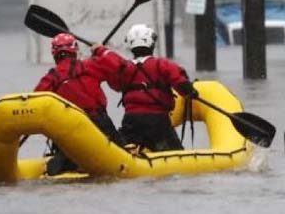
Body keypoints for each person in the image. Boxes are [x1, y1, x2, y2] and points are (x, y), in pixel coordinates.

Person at [34, 33, 126, 175]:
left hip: (67, 129)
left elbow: (36, 102)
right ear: (74, 51)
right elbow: (120, 65)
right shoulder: (91, 65)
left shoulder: (51, 77)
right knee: (124, 152)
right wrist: (101, 50)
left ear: (55, 54)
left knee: (64, 150)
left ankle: (64, 159)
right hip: (98, 123)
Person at [107, 24, 198, 152]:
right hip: (158, 121)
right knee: (175, 152)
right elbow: (181, 83)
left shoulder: (124, 68)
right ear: (151, 44)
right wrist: (192, 93)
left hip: (131, 120)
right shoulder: (163, 65)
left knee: (123, 149)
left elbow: (115, 85)